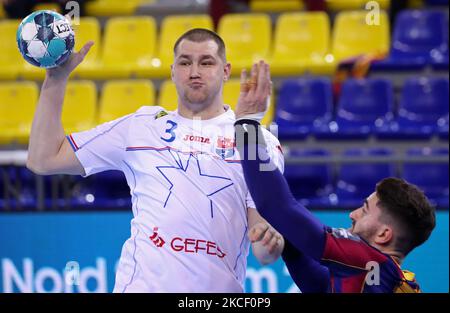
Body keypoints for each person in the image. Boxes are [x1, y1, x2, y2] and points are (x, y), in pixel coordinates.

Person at [26, 29, 286, 292]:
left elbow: (263, 247)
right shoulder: (140, 126)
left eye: (206, 62)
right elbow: (44, 158)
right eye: (185, 63)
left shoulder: (256, 141)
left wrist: (270, 242)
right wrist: (55, 81)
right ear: (173, 71)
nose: (194, 72)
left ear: (226, 70)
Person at [233, 60, 437, 293]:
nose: (352, 214)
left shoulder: (369, 261)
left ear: (384, 234)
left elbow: (277, 205)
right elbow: (319, 286)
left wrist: (246, 125)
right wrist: (287, 241)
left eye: (365, 209)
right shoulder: (384, 276)